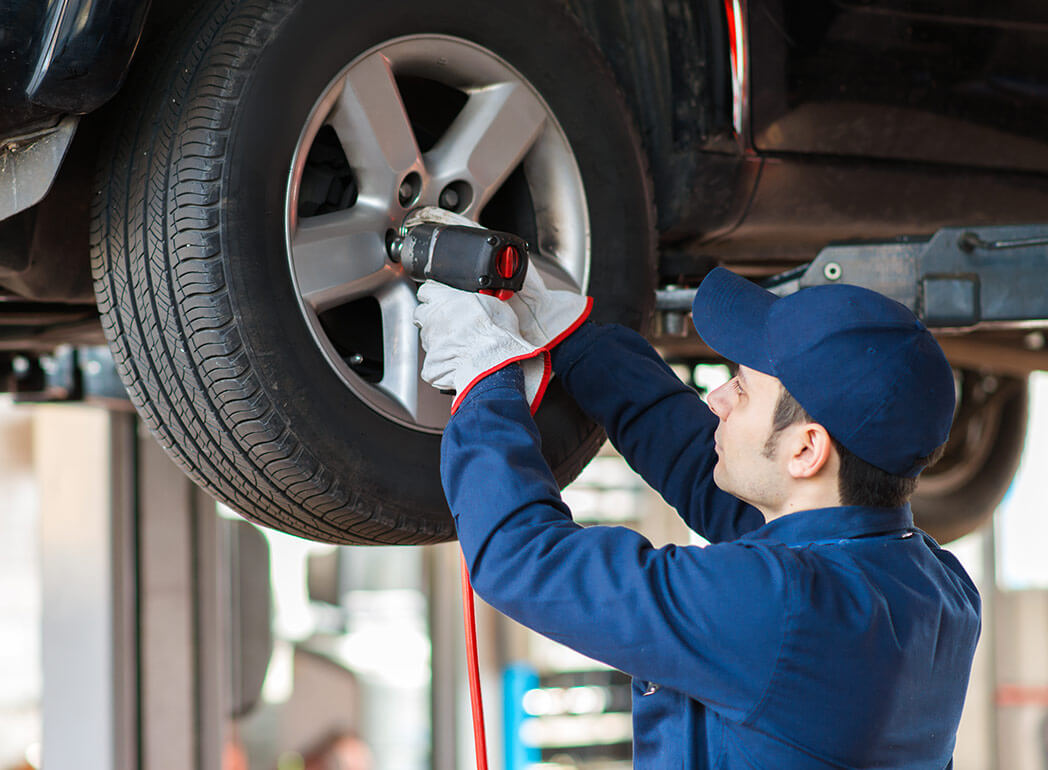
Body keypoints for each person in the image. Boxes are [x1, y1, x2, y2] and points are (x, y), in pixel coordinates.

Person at [415, 251, 983, 767]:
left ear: (806, 449)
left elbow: (524, 559)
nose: (717, 398)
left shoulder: (781, 608)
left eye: (740, 386)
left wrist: (484, 378)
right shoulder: (934, 589)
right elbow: (699, 468)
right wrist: (576, 339)